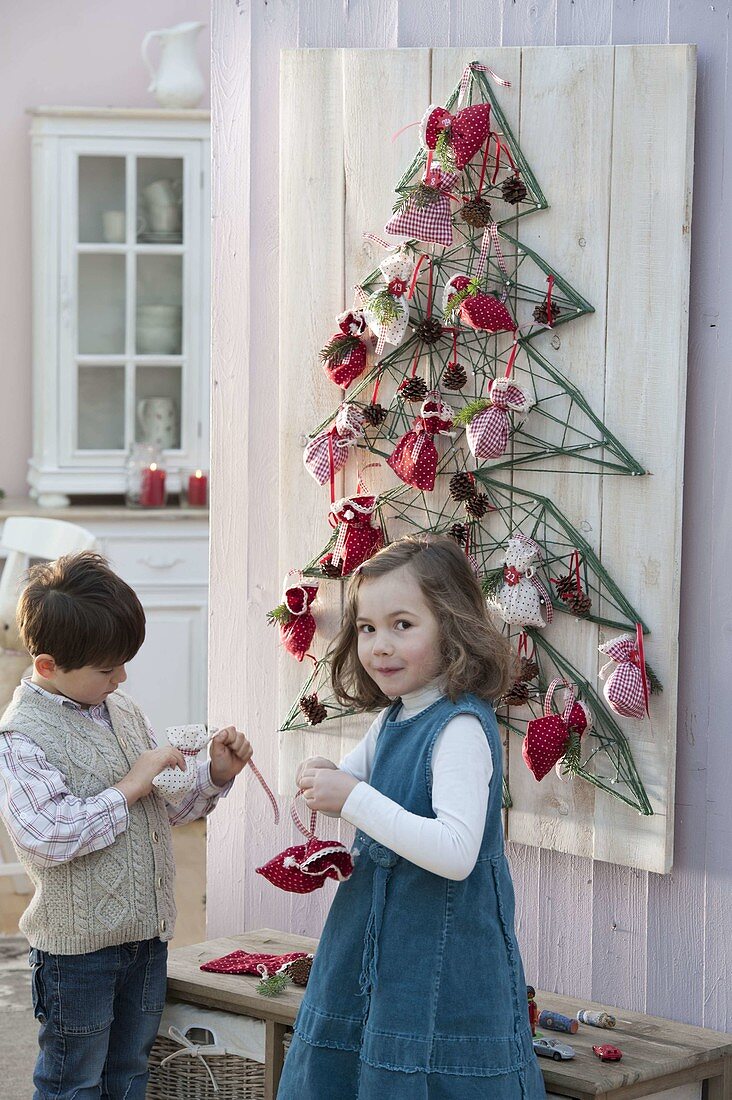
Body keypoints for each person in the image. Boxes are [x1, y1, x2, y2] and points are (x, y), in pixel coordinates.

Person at [277, 534, 546, 1099]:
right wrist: (323, 775)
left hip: (444, 957)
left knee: (427, 1071)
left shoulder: (460, 729)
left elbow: (455, 852)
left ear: (452, 629)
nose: (380, 645)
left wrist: (350, 796)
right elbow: (352, 781)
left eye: (403, 625)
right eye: (368, 628)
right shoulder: (393, 718)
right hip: (379, 945)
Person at [0, 551, 253, 1100]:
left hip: (145, 938)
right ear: (47, 666)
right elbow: (49, 834)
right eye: (107, 668)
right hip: (78, 952)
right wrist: (130, 784)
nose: (121, 677)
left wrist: (213, 775)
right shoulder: (22, 736)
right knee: (74, 1080)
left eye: (123, 662)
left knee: (132, 1072)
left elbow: (162, 809)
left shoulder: (122, 710)